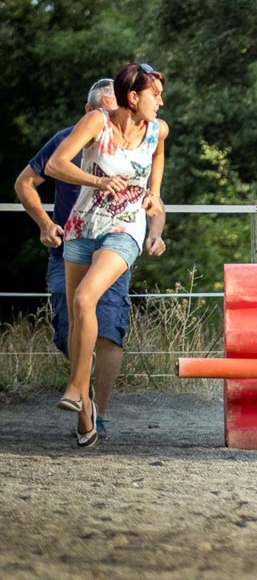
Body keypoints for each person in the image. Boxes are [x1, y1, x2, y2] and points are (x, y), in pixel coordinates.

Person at [15, 78, 167, 443]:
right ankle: (84, 410)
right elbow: (26, 182)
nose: (109, 114)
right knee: (71, 326)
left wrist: (155, 223)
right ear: (91, 112)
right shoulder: (71, 137)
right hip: (74, 237)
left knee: (108, 327)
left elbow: (154, 189)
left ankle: (97, 408)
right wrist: (45, 223)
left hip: (117, 237)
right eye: (102, 109)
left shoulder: (150, 132)